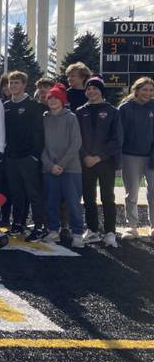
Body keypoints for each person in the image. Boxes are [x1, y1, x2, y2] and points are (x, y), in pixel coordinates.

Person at [77, 76, 123, 248]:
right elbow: (76, 138)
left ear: (101, 91)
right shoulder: (81, 111)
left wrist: (99, 156)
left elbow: (117, 139)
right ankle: (92, 230)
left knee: (107, 197)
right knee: (88, 197)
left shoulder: (112, 111)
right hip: (86, 161)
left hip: (105, 162)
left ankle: (110, 232)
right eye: (88, 88)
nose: (91, 91)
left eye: (95, 88)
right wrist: (85, 156)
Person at [3, 71, 46, 238]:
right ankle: (18, 223)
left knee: (33, 193)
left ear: (24, 84)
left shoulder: (33, 105)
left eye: (16, 83)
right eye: (11, 83)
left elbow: (39, 133)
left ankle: (39, 226)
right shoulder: (5, 106)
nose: (13, 86)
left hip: (28, 157)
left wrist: (35, 155)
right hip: (11, 157)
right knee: (17, 193)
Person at [40, 84, 84, 245]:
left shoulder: (71, 117)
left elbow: (76, 142)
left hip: (71, 167)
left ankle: (78, 233)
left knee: (73, 202)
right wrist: (50, 165)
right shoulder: (44, 118)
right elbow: (41, 145)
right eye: (50, 98)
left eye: (56, 97)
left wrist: (62, 164)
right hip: (49, 168)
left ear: (62, 100)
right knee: (51, 201)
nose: (52, 100)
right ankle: (53, 230)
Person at [118, 76, 154, 240]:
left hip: (151, 155)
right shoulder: (125, 108)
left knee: (153, 191)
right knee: (131, 193)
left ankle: (153, 226)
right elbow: (119, 134)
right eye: (144, 89)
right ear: (137, 90)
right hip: (130, 156)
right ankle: (132, 227)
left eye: (151, 90)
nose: (148, 93)